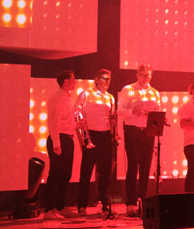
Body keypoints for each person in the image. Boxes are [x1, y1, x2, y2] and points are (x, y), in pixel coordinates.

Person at [117, 64, 161, 218]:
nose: (144, 78)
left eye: (147, 75)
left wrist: (158, 117)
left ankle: (142, 201)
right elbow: (119, 110)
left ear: (151, 76)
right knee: (133, 166)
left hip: (148, 131)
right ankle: (131, 203)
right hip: (132, 130)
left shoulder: (154, 92)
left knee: (145, 168)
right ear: (137, 75)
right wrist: (133, 111)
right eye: (142, 75)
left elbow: (158, 111)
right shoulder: (128, 90)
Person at [75, 69, 117, 217]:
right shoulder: (86, 94)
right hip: (91, 134)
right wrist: (83, 137)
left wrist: (113, 131)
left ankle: (103, 202)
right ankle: (82, 205)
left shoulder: (110, 97)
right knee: (86, 172)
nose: (107, 82)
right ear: (97, 79)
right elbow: (77, 113)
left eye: (109, 79)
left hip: (105, 135)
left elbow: (112, 117)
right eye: (104, 78)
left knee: (105, 172)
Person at [44, 70, 78, 220]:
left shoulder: (67, 98)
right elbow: (54, 121)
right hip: (59, 139)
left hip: (68, 138)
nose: (75, 82)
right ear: (66, 81)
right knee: (55, 174)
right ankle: (48, 209)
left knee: (65, 174)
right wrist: (56, 142)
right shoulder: (57, 98)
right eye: (73, 79)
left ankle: (60, 206)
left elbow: (66, 120)